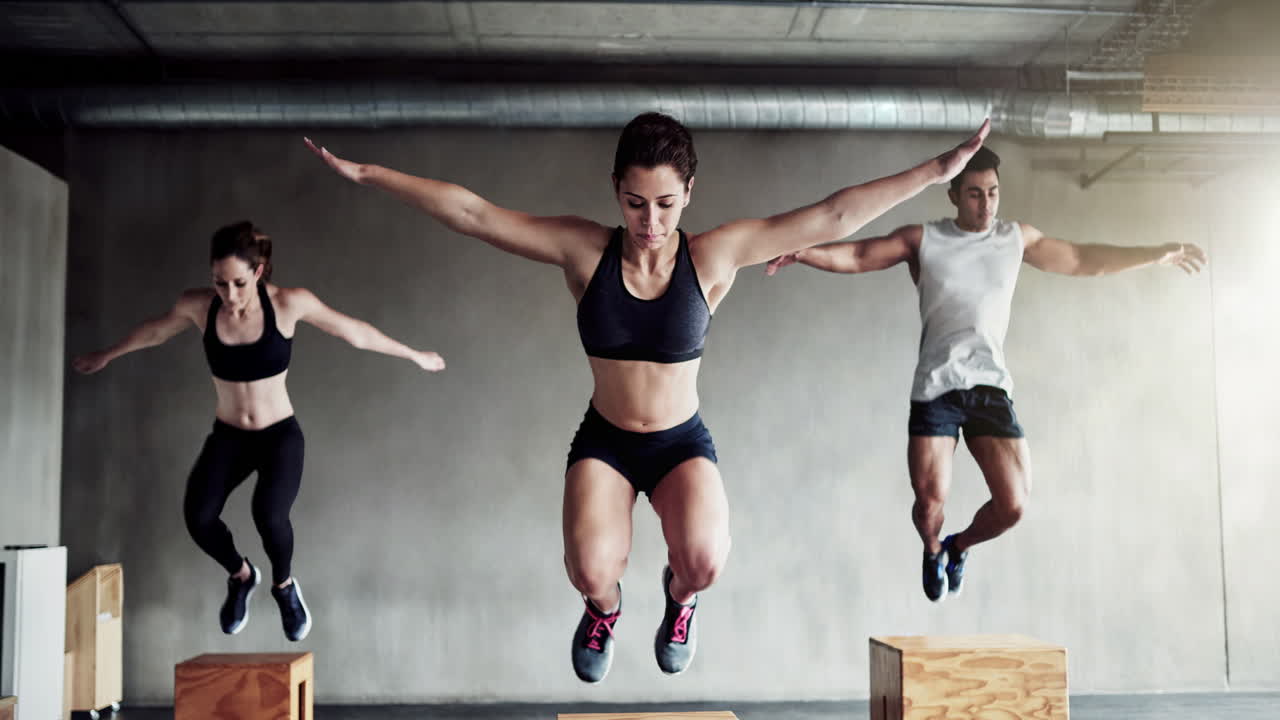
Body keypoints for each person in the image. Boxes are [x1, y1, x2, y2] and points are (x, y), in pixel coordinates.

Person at [306, 113, 989, 679]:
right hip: (606, 440)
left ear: (688, 192)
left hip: (679, 442)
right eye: (635, 203)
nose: (650, 221)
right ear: (616, 192)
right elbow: (474, 213)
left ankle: (678, 599)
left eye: (665, 204)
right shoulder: (584, 250)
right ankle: (604, 611)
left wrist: (937, 171)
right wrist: (367, 174)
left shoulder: (714, 256)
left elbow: (834, 213)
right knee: (588, 567)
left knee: (705, 560)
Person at [766, 146, 1207, 602]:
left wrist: (1154, 254)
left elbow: (1081, 258)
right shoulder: (924, 239)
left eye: (993, 193)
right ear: (954, 195)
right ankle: (933, 546)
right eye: (975, 194)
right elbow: (859, 254)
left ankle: (958, 547)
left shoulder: (1015, 238)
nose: (986, 204)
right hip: (937, 388)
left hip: (989, 386)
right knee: (930, 501)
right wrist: (803, 252)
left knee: (1013, 504)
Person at [73, 221, 446, 640]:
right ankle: (241, 576)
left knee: (268, 514)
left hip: (278, 436)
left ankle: (284, 587)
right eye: (219, 283)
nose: (229, 295)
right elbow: (157, 330)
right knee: (198, 516)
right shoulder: (199, 306)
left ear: (258, 270)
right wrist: (108, 354)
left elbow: (355, 333)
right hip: (229, 436)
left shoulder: (288, 304)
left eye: (238, 283)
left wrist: (414, 355)